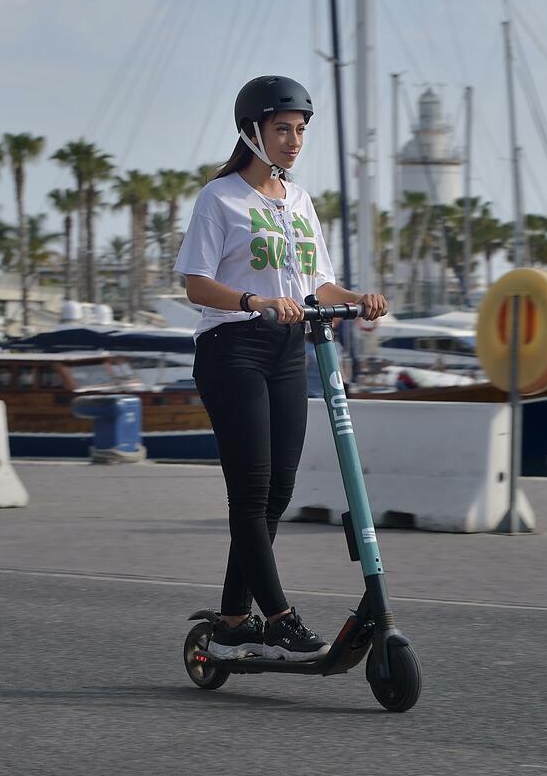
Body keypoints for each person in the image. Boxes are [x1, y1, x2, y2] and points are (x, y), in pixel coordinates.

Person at [174, 75, 387, 662]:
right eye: (282, 130)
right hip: (233, 348)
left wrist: (358, 296)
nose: (294, 141)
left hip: (289, 351)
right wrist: (253, 302)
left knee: (278, 492)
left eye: (300, 131)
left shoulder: (298, 201)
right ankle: (279, 618)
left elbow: (317, 284)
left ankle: (233, 617)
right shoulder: (220, 199)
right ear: (253, 132)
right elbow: (195, 282)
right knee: (250, 491)